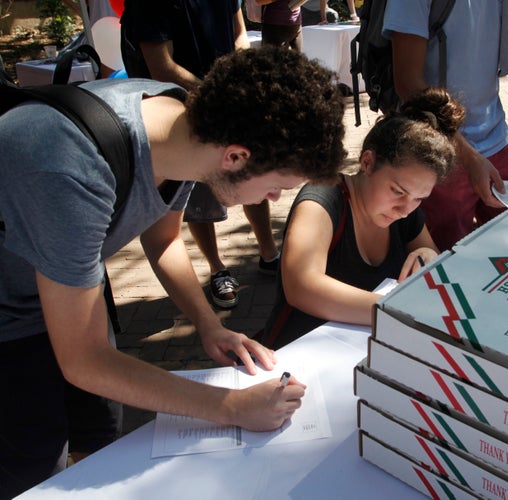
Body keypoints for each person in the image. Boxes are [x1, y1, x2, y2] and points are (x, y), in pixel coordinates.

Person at [0, 46, 346, 498]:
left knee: (99, 436)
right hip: (10, 322)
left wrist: (208, 325)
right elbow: (84, 361)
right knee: (30, 466)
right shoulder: (71, 171)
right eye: (278, 186)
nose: (274, 200)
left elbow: (162, 240)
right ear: (237, 157)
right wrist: (230, 406)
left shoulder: (185, 130)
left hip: (68, 288)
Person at [261, 87, 461, 349]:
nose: (405, 209)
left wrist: (428, 256)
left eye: (419, 199)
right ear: (367, 162)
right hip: (297, 358)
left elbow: (428, 252)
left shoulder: (404, 211)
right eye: (398, 191)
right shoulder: (323, 198)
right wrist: (393, 312)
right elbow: (301, 286)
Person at [120, 0, 282, 310]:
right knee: (195, 193)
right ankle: (217, 268)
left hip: (226, 101)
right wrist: (218, 96)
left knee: (255, 177)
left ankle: (269, 254)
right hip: (182, 111)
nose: (278, 195)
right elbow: (162, 66)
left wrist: (241, 81)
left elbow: (239, 34)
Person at [383, 0, 508, 252]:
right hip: (438, 146)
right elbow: (408, 83)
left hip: (495, 136)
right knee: (448, 259)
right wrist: (467, 156)